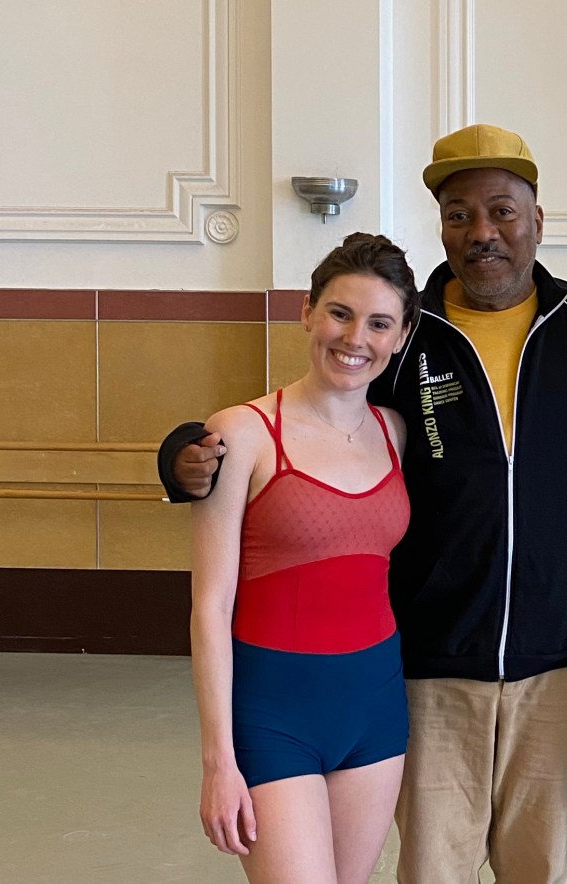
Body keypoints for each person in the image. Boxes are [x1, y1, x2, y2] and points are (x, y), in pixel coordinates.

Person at [163, 124, 567, 884]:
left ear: (538, 220)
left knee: (539, 868)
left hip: (561, 653)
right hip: (431, 656)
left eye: (502, 211)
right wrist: (181, 452)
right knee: (433, 868)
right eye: (459, 214)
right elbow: (313, 414)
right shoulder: (404, 333)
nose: (483, 232)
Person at [190, 233, 418, 884]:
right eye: (340, 313)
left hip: (375, 708)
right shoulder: (241, 433)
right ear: (308, 312)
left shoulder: (395, 432)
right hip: (274, 713)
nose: (355, 338)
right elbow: (210, 608)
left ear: (401, 336)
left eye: (379, 323)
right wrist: (218, 760)